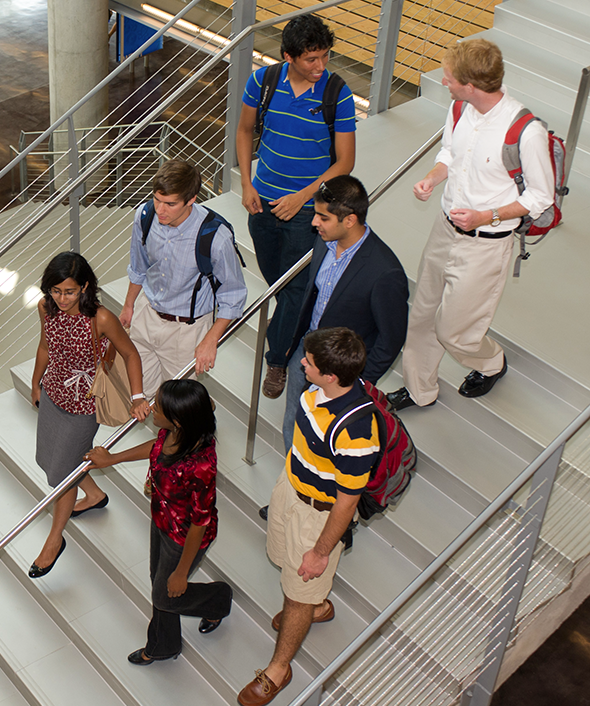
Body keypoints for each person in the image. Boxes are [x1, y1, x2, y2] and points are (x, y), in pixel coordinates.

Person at [386, 39, 554, 412]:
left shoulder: (526, 131)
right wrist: (432, 178)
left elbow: (540, 198)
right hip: (445, 229)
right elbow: (449, 153)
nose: (443, 82)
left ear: (471, 85)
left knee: (454, 331)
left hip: (486, 243)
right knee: (424, 313)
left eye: (449, 78)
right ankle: (419, 389)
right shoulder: (460, 108)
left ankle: (491, 361)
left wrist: (485, 216)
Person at [238, 327, 379, 706]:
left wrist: (320, 551)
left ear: (331, 376)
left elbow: (346, 504)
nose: (302, 363)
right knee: (283, 560)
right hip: (291, 489)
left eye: (310, 363)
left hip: (317, 516)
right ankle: (317, 606)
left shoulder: (357, 432)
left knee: (298, 589)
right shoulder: (317, 391)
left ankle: (279, 669)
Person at [235, 14, 356, 400]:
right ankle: (294, 326)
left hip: (306, 211)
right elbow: (243, 131)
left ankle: (277, 358)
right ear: (288, 56)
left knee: (292, 286)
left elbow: (345, 162)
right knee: (276, 280)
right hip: (262, 204)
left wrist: (303, 198)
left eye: (324, 57)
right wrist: (246, 183)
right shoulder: (263, 82)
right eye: (311, 59)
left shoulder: (338, 93)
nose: (320, 66)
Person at [86, 379, 233, 665]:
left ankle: (217, 598)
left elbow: (200, 523)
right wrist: (112, 459)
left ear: (177, 420)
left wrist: (181, 572)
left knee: (166, 595)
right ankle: (165, 645)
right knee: (158, 582)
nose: (152, 409)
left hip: (184, 537)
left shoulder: (200, 465)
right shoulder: (175, 432)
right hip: (161, 520)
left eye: (159, 407)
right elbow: (157, 448)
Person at [29, 252, 150, 578]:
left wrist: (138, 397)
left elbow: (129, 353)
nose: (61, 298)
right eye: (55, 290)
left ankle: (55, 540)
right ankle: (95, 495)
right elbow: (45, 346)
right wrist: (36, 382)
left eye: (69, 291)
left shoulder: (101, 318)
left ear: (84, 287)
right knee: (48, 459)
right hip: (54, 394)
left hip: (83, 406)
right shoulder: (45, 308)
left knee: (61, 475)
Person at [280, 175, 407, 452]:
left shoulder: (385, 272)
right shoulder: (323, 242)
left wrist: (357, 382)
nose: (315, 223)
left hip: (340, 376)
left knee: (325, 441)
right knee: (294, 420)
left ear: (349, 220)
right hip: (306, 353)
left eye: (323, 218)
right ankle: (293, 475)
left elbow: (391, 338)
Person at [119, 159, 247, 398]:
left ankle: (198, 425)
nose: (160, 210)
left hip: (186, 330)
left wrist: (210, 340)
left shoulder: (215, 237)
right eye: (157, 199)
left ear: (191, 199)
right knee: (143, 393)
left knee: (179, 403)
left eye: (170, 204)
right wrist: (129, 305)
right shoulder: (145, 216)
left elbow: (233, 295)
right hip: (147, 313)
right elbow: (139, 265)